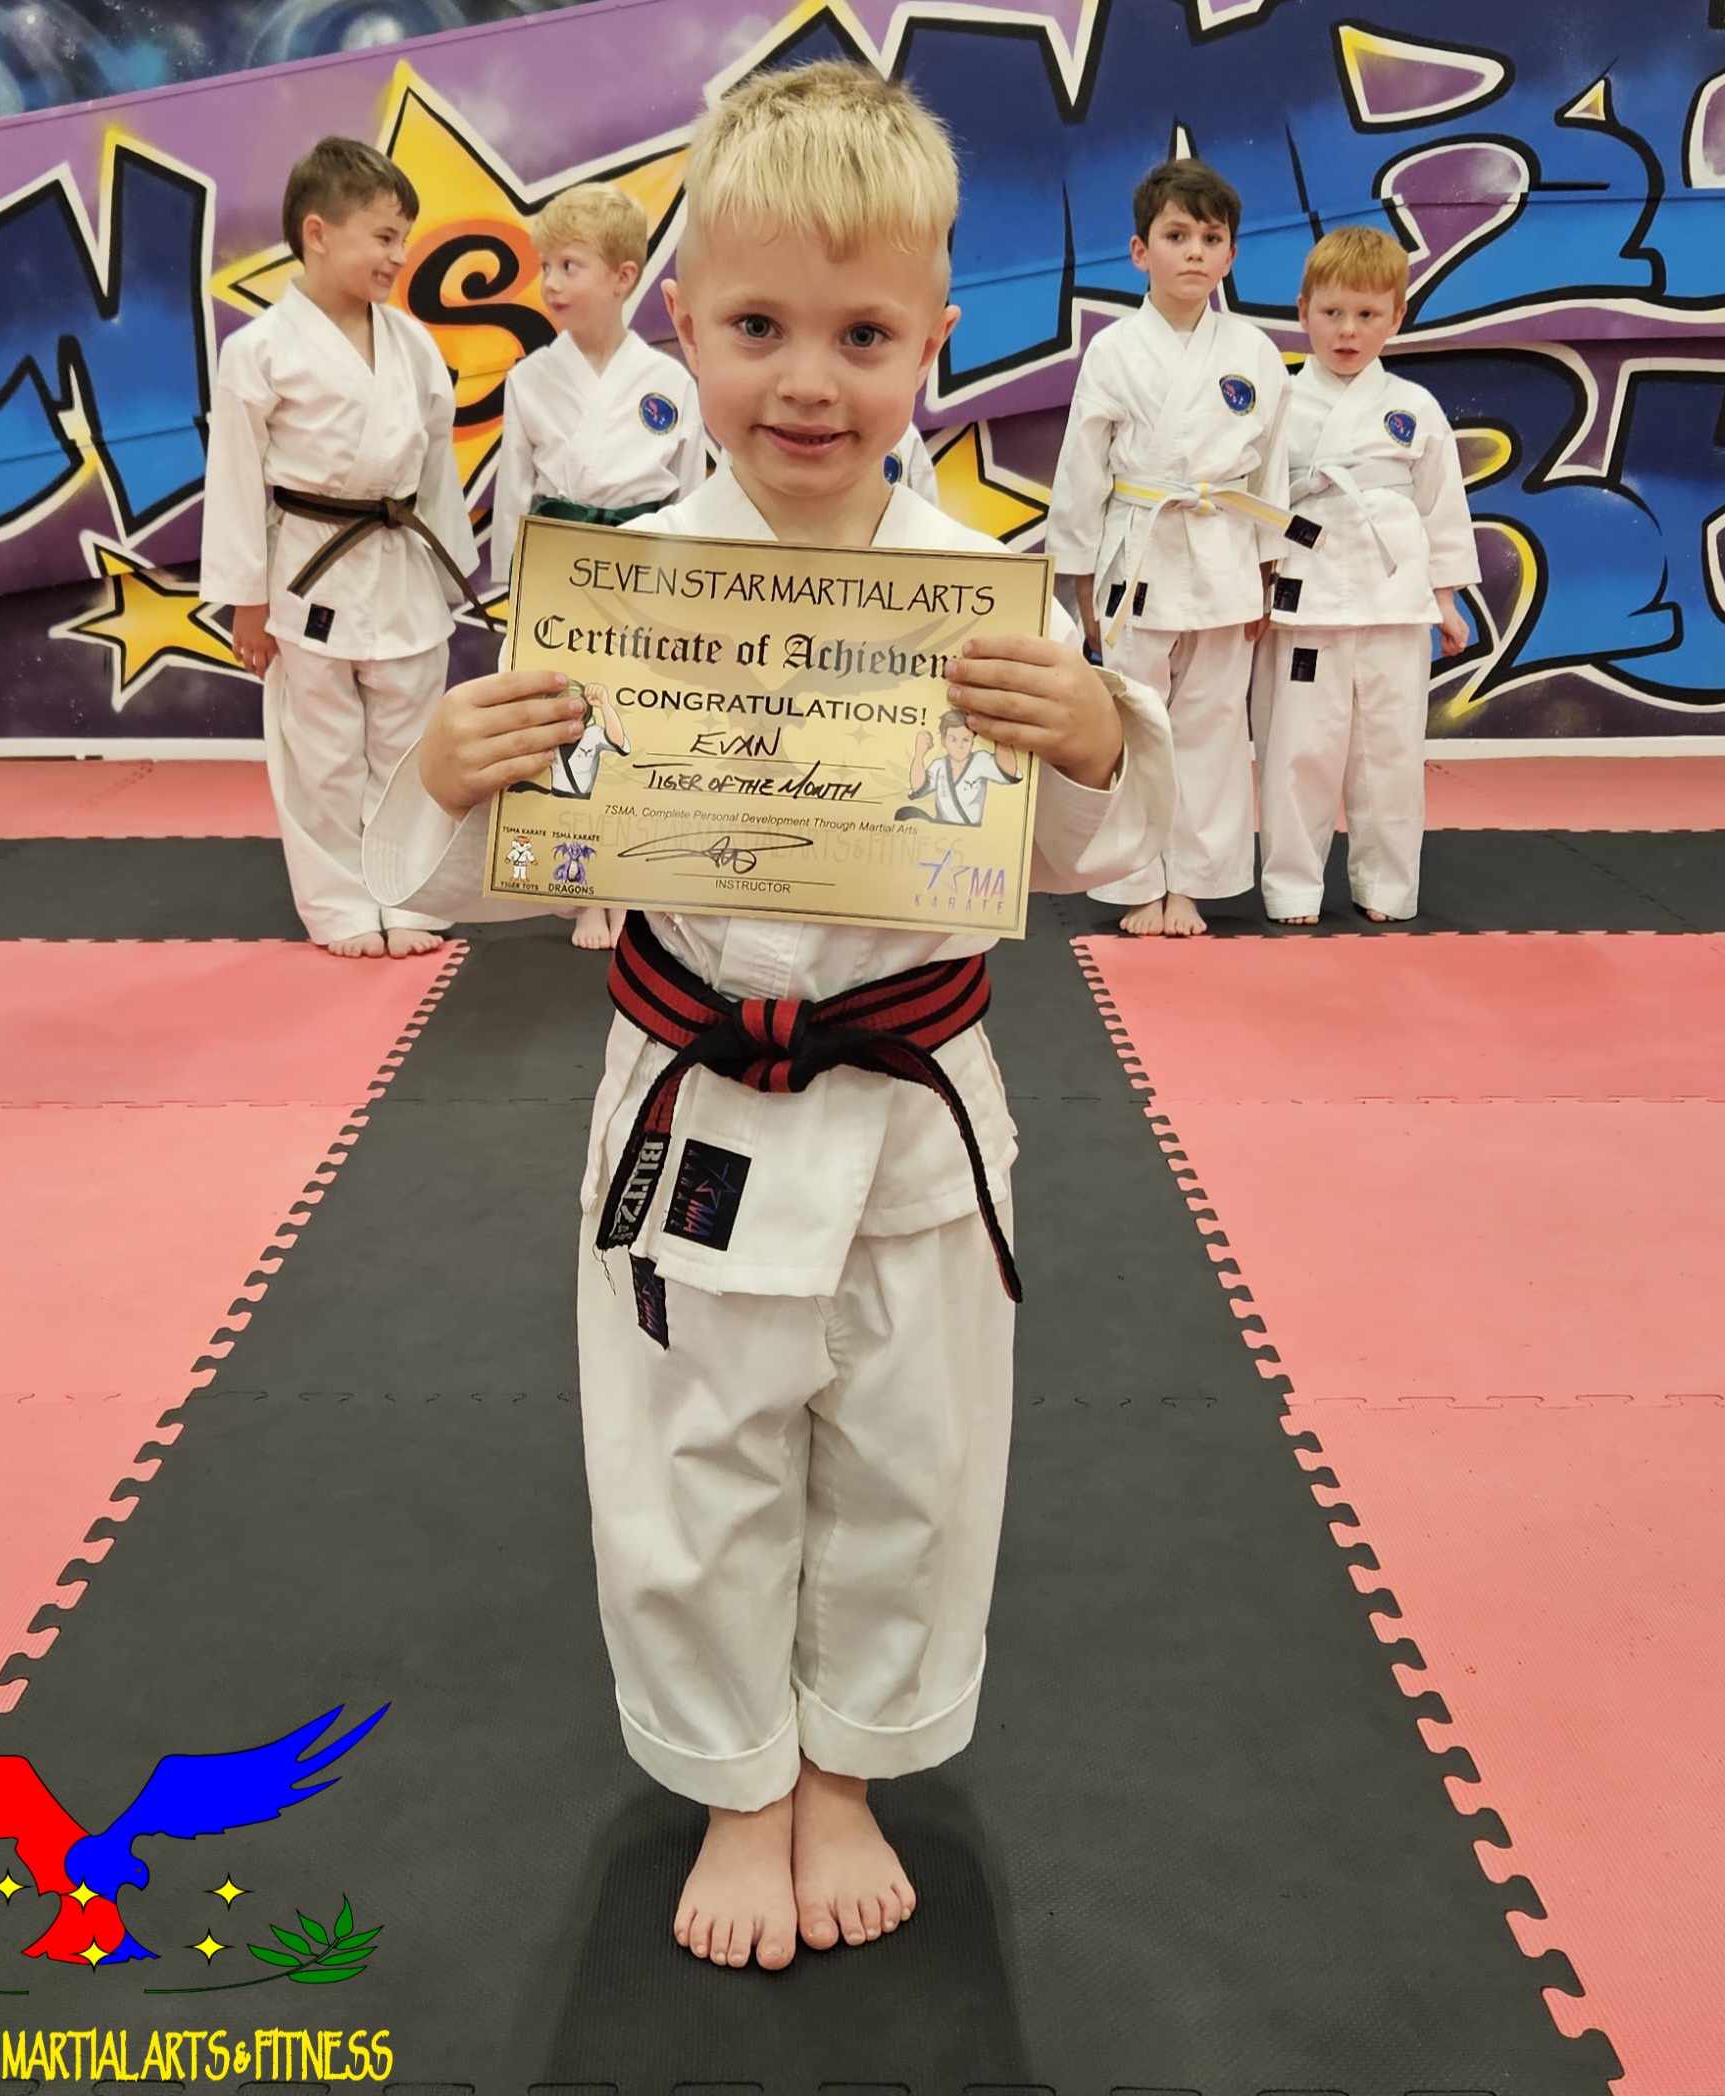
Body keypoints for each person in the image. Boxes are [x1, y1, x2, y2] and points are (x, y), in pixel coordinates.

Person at [360, 62, 1172, 1974]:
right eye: (758, 330)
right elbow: (482, 876)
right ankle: (737, 1780)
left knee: (912, 1464)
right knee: (687, 1468)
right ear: (684, 327)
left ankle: (849, 1767)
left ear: (934, 344)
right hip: (692, 1100)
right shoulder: (615, 596)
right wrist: (457, 773)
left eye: (863, 336)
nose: (809, 381)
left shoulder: (985, 603)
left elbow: (1097, 854)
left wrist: (1096, 737)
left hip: (912, 1109)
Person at [201, 136, 479, 959]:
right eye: (383, 237)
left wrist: (450, 571)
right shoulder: (258, 349)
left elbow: (437, 464)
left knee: (409, 741)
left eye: (404, 238)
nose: (399, 256)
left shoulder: (412, 343)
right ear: (317, 233)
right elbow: (236, 477)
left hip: (401, 563)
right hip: (309, 566)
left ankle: (409, 891)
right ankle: (341, 904)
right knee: (321, 753)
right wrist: (246, 600)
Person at [1043, 156, 1292, 937]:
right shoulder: (1114, 350)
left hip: (1224, 552)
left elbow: (1271, 467)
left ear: (1231, 255)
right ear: (1138, 250)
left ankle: (1193, 882)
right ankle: (1132, 880)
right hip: (1138, 552)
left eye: (1209, 239)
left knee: (1213, 726)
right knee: (1132, 722)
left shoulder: (1253, 351)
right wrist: (1079, 578)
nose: (1193, 252)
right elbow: (1082, 467)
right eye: (1176, 235)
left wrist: (1269, 568)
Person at [492, 182, 705, 950]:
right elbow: (515, 491)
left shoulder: (670, 381)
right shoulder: (530, 378)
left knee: (635, 722)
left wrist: (691, 587)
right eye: (545, 265)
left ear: (623, 277)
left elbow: (690, 491)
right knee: (566, 723)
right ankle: (579, 883)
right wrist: (514, 587)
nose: (550, 283)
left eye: (569, 266)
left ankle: (631, 881)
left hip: (645, 566)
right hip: (560, 563)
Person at [1254, 227, 1479, 924]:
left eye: (1366, 314)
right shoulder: (1279, 400)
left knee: (1389, 753)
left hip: (1395, 603)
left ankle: (1386, 884)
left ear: (1396, 317)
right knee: (1299, 751)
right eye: (1331, 313)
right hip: (1304, 600)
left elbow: (1442, 509)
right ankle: (1292, 886)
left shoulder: (1415, 406)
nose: (1347, 331)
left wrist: (1446, 600)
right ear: (1303, 312)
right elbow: (1256, 503)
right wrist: (1255, 587)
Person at [899, 709, 1023, 824]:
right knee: (903, 814)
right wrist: (919, 754)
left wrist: (998, 731)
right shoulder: (939, 765)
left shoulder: (980, 760)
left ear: (972, 740)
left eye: (966, 740)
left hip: (971, 832)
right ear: (943, 741)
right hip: (940, 828)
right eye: (953, 739)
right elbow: (918, 787)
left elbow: (1008, 771)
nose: (960, 746)